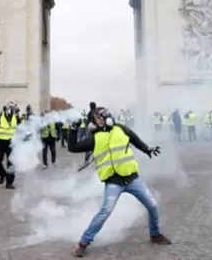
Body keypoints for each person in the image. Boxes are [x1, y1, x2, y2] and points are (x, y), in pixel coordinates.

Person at [67, 107, 171, 257]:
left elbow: (135, 139)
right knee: (105, 212)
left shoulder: (120, 129)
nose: (101, 119)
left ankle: (155, 235)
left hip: (132, 178)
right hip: (113, 182)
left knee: (152, 205)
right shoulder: (95, 138)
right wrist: (72, 129)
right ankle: (82, 243)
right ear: (95, 120)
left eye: (104, 116)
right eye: (98, 118)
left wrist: (147, 149)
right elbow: (73, 147)